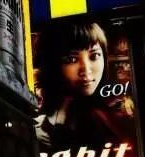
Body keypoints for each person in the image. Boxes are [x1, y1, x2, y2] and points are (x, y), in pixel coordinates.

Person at [34, 21, 128, 150]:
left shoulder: (104, 120)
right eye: (72, 59)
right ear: (52, 65)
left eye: (94, 56)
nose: (86, 70)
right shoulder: (39, 118)